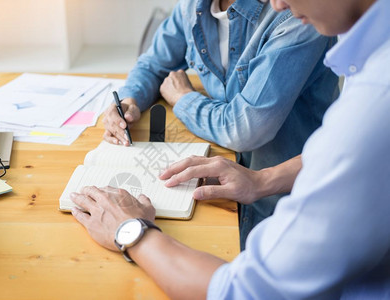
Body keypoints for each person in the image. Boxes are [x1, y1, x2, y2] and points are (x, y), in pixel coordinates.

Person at [72, 0, 390, 298]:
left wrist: (131, 231)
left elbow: (244, 290)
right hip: (251, 190)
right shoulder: (369, 62)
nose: (278, 2)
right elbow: (336, 151)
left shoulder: (373, 101)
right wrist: (263, 179)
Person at [103, 0, 339, 249]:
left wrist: (183, 99)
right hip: (222, 177)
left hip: (280, 206)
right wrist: (130, 100)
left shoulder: (295, 15)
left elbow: (244, 129)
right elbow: (153, 64)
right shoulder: (192, 5)